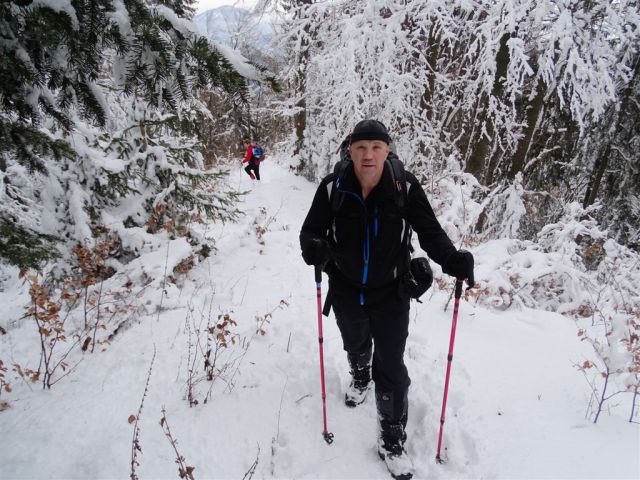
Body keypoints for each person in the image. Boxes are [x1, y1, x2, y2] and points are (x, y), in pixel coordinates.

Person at [299, 120, 474, 480]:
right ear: (350, 150)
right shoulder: (333, 187)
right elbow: (311, 229)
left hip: (392, 291)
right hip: (345, 287)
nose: (368, 155)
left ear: (387, 151)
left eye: (376, 148)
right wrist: (312, 248)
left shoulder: (404, 188)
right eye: (361, 147)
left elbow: (429, 232)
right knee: (355, 341)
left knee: (391, 367)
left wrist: (453, 259)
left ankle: (392, 439)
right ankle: (360, 373)